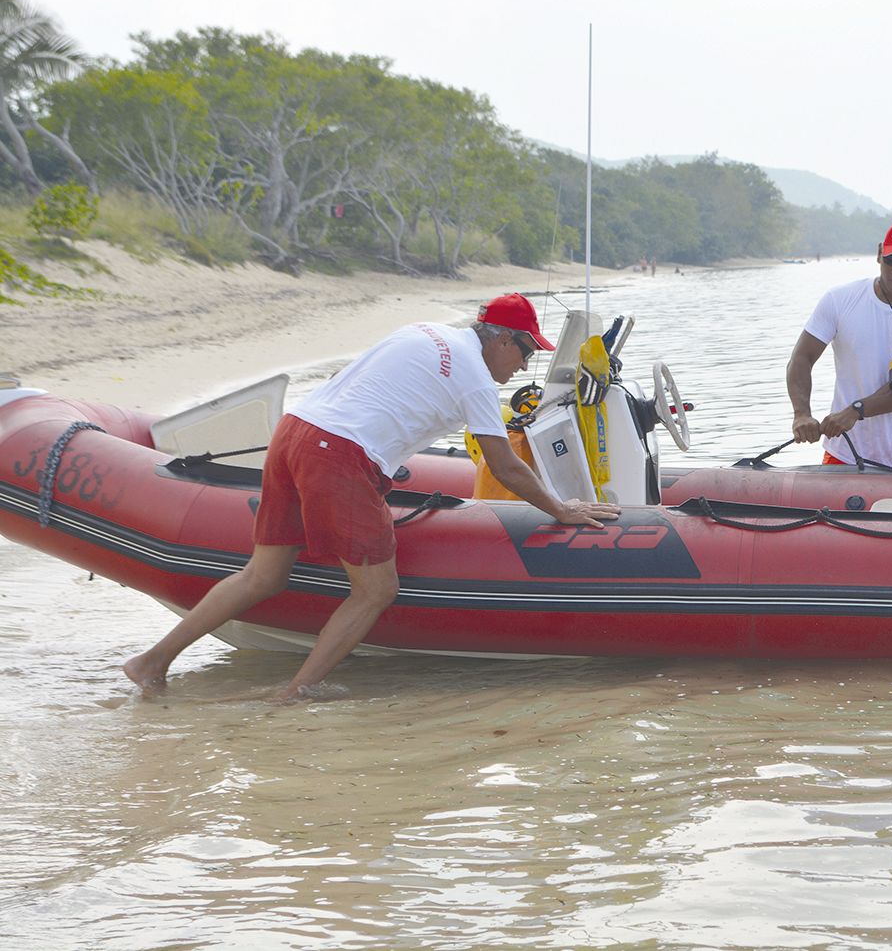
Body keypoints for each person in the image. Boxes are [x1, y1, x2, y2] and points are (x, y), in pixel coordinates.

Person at [123, 293, 619, 702]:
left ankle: (152, 662)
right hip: (337, 454)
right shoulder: (474, 377)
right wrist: (563, 508)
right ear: (503, 340)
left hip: (295, 432)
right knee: (376, 589)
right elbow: (505, 465)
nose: (524, 365)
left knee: (264, 574)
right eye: (526, 353)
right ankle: (298, 692)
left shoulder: (426, 330)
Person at [786, 219, 892, 472]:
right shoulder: (839, 300)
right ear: (879, 253)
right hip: (844, 453)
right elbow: (801, 358)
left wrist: (856, 410)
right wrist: (801, 413)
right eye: (891, 261)